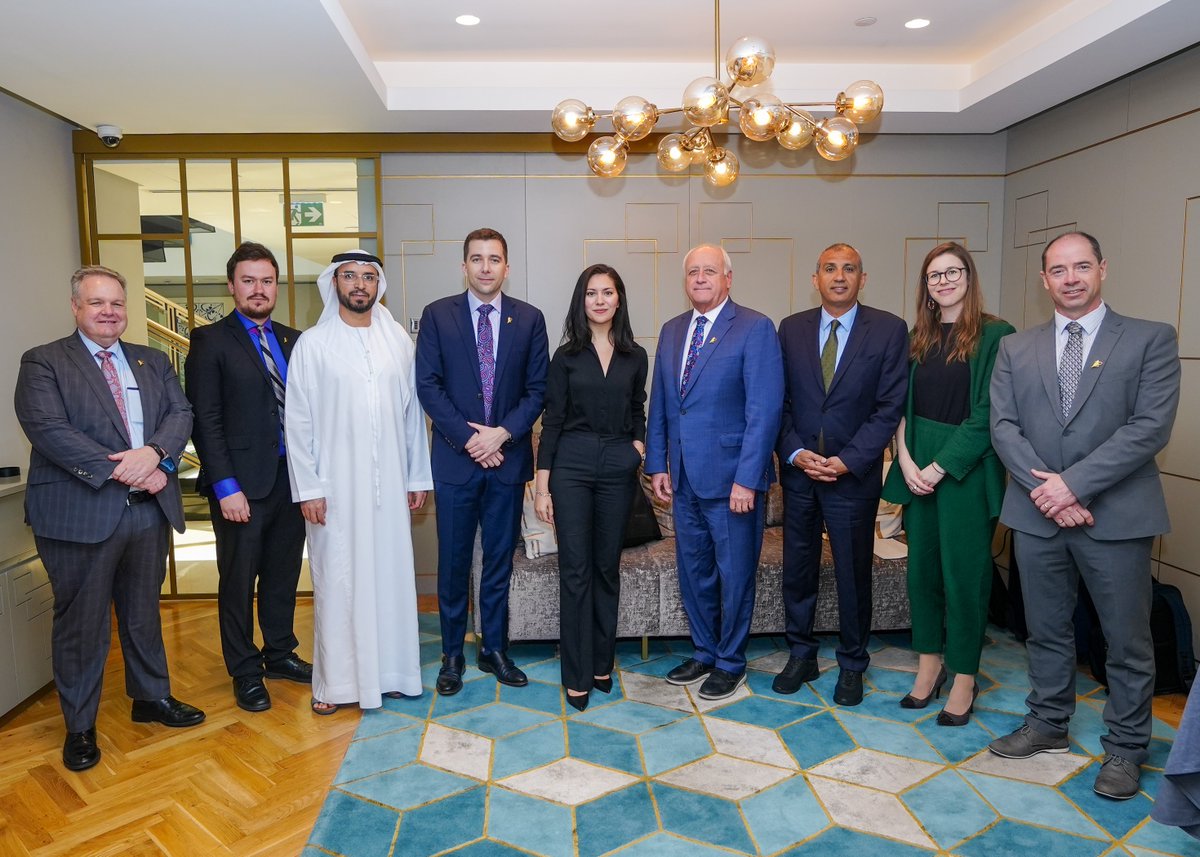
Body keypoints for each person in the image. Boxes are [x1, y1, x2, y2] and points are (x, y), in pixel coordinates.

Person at [988, 231, 1180, 800]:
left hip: (1115, 517)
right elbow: (1003, 427)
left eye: (1081, 267)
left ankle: (1124, 749)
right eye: (1057, 269)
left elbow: (1150, 427)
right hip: (1036, 515)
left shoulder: (1149, 339)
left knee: (1126, 641)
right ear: (1043, 280)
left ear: (1102, 270)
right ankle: (1047, 724)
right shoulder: (1015, 349)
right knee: (1044, 633)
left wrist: (1072, 486)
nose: (1070, 278)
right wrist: (1047, 492)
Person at [14, 265, 204, 772]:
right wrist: (137, 471)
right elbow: (49, 431)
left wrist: (158, 453)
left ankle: (151, 697)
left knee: (143, 612)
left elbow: (181, 414)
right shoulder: (44, 362)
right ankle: (80, 726)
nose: (109, 312)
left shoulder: (152, 360)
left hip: (147, 515)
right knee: (82, 623)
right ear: (76, 306)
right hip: (80, 513)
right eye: (97, 303)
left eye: (117, 303)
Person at [285, 250, 433, 714]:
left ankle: (392, 674)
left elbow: (412, 419)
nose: (359, 284)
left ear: (378, 285)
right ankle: (336, 684)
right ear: (334, 283)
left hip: (388, 488)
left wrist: (416, 475)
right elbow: (298, 422)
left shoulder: (398, 344)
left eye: (368, 277)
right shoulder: (313, 344)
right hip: (333, 492)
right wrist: (308, 488)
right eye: (349, 276)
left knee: (389, 577)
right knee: (339, 582)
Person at [880, 242, 1014, 725]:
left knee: (966, 578)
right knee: (923, 576)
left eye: (952, 272)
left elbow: (989, 416)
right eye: (934, 275)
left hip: (965, 470)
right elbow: (899, 406)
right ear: (926, 287)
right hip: (918, 466)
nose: (943, 281)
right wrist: (909, 461)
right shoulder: (918, 336)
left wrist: (939, 468)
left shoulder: (997, 334)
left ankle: (963, 676)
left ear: (969, 277)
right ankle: (930, 664)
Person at [646, 244, 783, 701]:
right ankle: (704, 652)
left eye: (710, 271)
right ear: (684, 281)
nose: (700, 278)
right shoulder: (671, 331)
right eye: (692, 272)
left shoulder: (754, 328)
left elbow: (764, 411)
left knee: (735, 574)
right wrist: (657, 464)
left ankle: (731, 661)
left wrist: (747, 478)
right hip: (683, 478)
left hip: (732, 483)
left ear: (728, 278)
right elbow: (663, 405)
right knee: (695, 572)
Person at [416, 228, 548, 696]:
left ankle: (494, 649)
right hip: (456, 462)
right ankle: (452, 655)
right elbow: (428, 386)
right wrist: (471, 441)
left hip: (507, 463)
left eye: (494, 259)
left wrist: (502, 435)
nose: (486, 267)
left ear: (507, 267)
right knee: (452, 564)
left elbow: (538, 391)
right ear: (464, 266)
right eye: (477, 259)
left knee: (497, 562)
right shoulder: (437, 316)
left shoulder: (529, 319)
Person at [775, 243, 908, 706]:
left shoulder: (889, 330)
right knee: (798, 570)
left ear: (862, 278)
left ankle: (852, 663)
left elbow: (890, 405)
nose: (839, 276)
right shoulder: (790, 330)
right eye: (829, 268)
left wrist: (850, 459)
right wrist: (794, 452)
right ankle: (801, 653)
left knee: (853, 575)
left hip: (853, 477)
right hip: (800, 475)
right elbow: (781, 403)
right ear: (815, 278)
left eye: (849, 268)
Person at [185, 242, 311, 713]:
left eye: (266, 281)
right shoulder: (210, 341)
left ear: (276, 286)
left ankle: (279, 654)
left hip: (290, 480)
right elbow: (206, 419)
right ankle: (244, 669)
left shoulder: (294, 340)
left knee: (281, 575)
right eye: (249, 280)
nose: (259, 290)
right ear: (232, 285)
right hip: (241, 486)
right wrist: (225, 487)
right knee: (238, 581)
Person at [533, 264, 648, 711]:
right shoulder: (565, 356)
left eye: (608, 292)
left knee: (606, 570)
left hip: (618, 465)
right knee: (576, 573)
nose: (599, 300)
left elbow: (638, 408)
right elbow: (553, 422)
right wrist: (543, 488)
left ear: (619, 299)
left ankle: (602, 664)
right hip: (572, 468)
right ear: (581, 301)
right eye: (591, 293)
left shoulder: (635, 355)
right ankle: (576, 674)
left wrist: (637, 448)